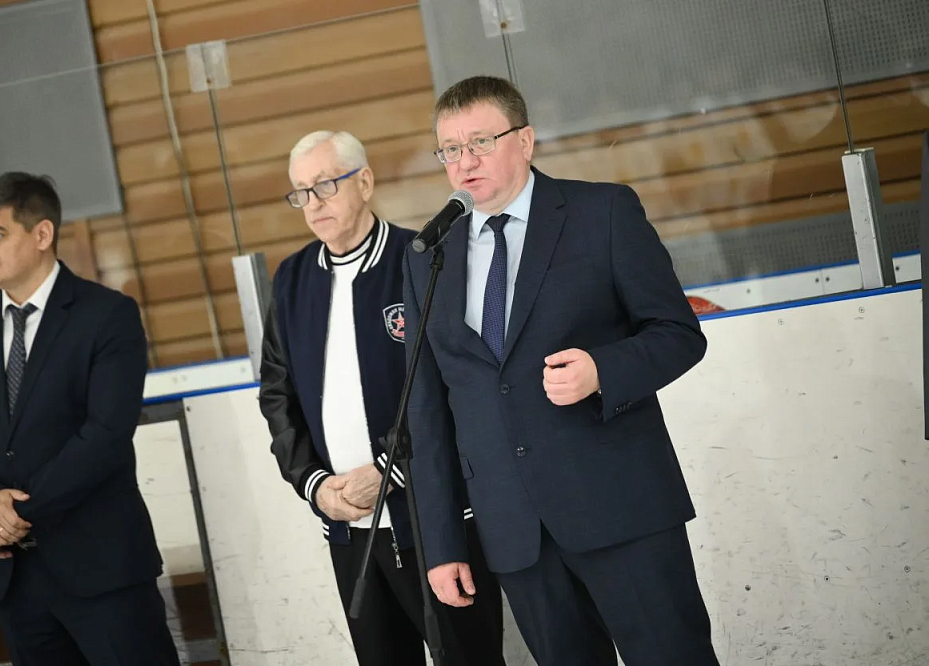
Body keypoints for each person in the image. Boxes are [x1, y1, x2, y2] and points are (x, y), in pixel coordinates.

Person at [404, 76, 721, 665]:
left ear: (525, 141)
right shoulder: (428, 257)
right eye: (449, 149)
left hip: (621, 508)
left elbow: (678, 333)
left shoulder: (603, 212)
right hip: (516, 534)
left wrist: (603, 370)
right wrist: (442, 544)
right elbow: (427, 411)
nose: (464, 162)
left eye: (480, 142)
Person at [258, 130, 506, 666]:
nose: (313, 203)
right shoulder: (292, 279)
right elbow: (277, 394)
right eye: (300, 192)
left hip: (435, 523)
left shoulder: (422, 259)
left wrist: (390, 470)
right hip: (348, 532)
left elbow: (457, 388)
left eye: (325, 185)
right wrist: (314, 485)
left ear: (365, 182)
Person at [0, 173, 179, 665]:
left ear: (42, 234)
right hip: (14, 580)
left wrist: (17, 515)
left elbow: (105, 434)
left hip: (103, 569)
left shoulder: (107, 314)